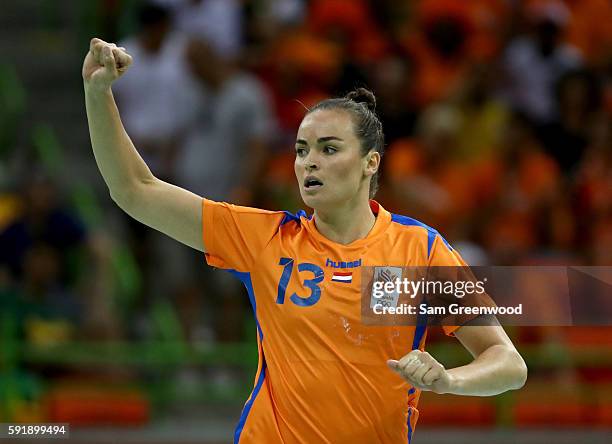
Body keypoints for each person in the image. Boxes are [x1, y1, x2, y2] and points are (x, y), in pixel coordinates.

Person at [83, 38, 527, 443]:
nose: (308, 163)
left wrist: (449, 379)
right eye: (301, 150)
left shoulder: (418, 251)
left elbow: (508, 363)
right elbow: (135, 190)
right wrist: (98, 92)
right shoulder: (265, 239)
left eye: (328, 149)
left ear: (370, 162)